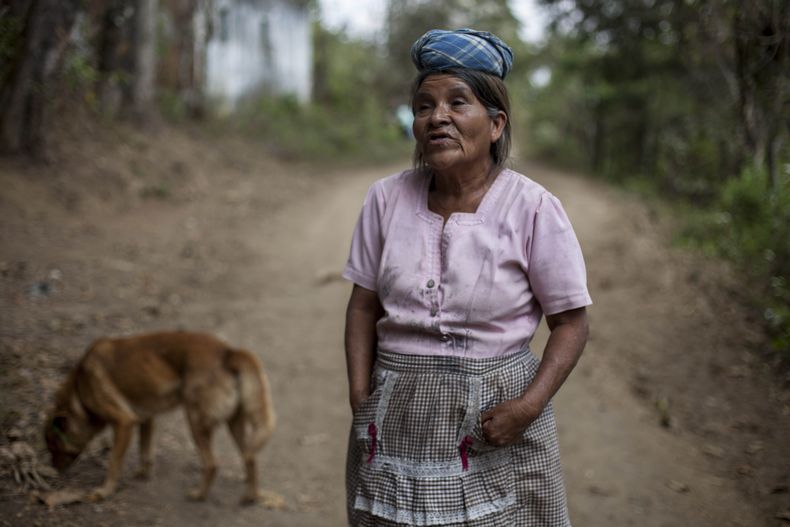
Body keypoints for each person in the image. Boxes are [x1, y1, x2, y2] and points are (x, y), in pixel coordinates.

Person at [342, 28, 591, 526]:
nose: (437, 117)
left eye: (458, 103)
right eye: (423, 106)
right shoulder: (385, 200)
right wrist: (360, 396)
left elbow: (571, 323)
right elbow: (363, 305)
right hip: (395, 413)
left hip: (498, 420)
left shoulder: (534, 208)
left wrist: (527, 407)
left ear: (496, 124)